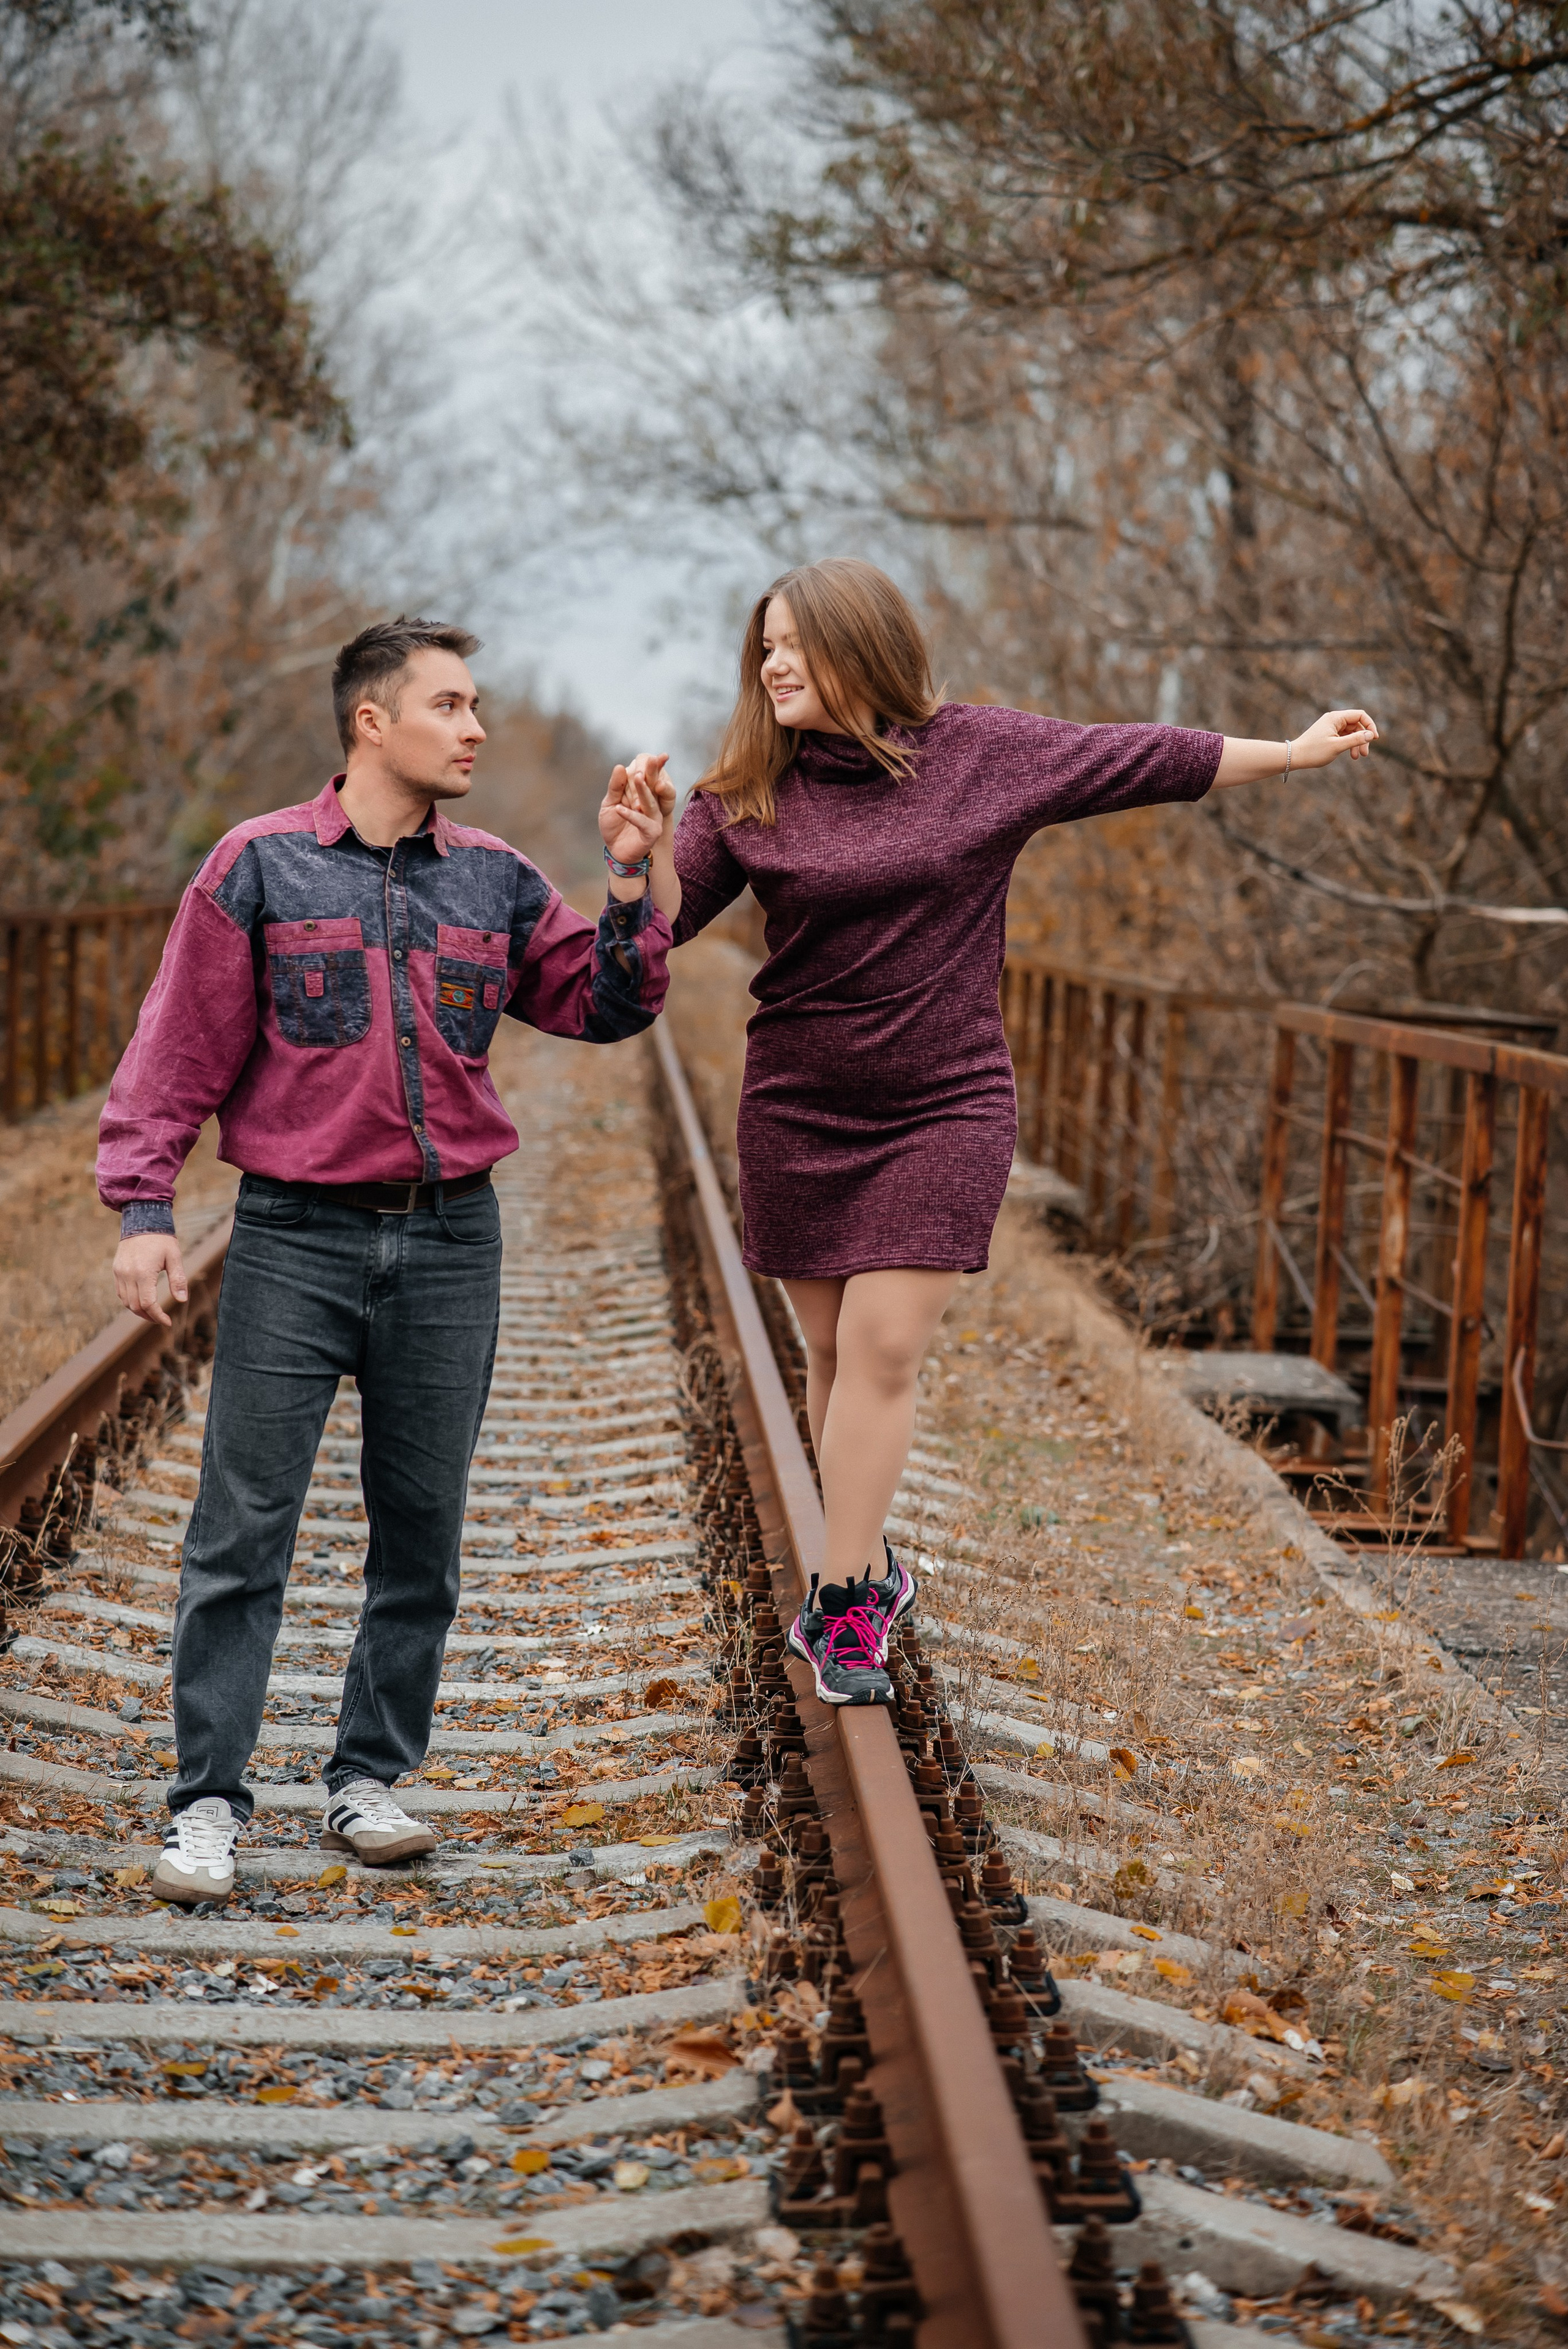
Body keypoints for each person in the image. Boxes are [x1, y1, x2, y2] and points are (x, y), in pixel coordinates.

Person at [614, 556, 1376, 1706]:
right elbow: (659, 939)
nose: (770, 662)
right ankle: (873, 1571)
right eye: (761, 645)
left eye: (794, 643)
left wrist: (1293, 751)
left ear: (861, 648)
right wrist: (631, 871)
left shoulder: (978, 753)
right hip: (798, 1105)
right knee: (828, 1353)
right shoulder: (744, 798)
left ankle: (841, 1612)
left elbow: (1143, 758)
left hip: (943, 1103)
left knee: (881, 1351)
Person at [98, 616, 672, 1904]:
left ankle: (368, 1777)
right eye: (452, 705)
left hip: (454, 1235)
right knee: (243, 1529)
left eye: (476, 707)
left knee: (422, 1533)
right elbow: (175, 1050)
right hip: (295, 1237)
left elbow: (607, 1005)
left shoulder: (498, 880)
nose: (474, 728)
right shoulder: (256, 867)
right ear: (374, 721)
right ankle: (206, 1804)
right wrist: (143, 1209)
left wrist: (633, 881)